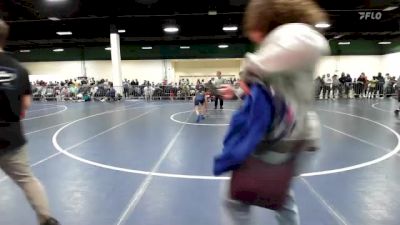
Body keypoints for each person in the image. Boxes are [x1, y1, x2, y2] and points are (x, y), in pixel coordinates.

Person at [215, 0, 329, 225]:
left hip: (285, 139)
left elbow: (314, 45)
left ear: (264, 20)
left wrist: (251, 67)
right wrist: (238, 92)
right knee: (281, 197)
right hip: (292, 138)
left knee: (234, 198)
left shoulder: (297, 33)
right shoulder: (283, 42)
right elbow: (270, 87)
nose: (253, 37)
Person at [0, 20, 60, 225]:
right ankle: (46, 219)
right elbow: (25, 104)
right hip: (11, 136)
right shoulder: (19, 69)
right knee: (27, 180)